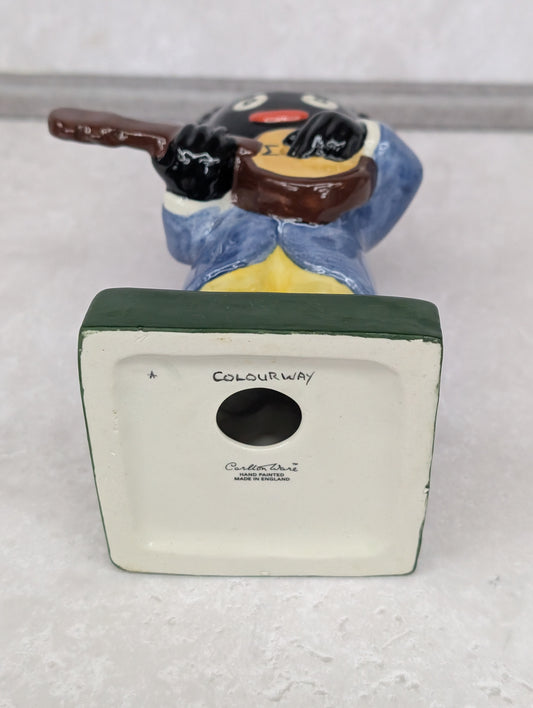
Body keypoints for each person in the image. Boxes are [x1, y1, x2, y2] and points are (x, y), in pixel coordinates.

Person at [152, 91, 423, 294]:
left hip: (333, 287)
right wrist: (193, 191)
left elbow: (403, 175)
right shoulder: (224, 205)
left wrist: (363, 136)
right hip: (224, 285)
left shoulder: (350, 205)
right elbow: (186, 246)